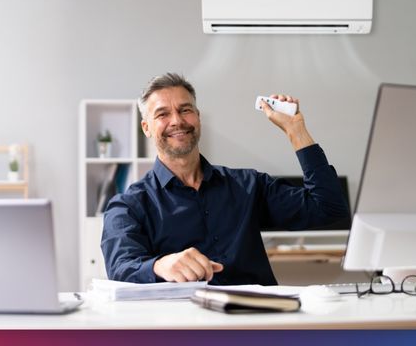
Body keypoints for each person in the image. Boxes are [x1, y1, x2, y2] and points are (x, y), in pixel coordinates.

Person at [101, 73, 349, 285]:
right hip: (185, 329)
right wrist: (161, 266)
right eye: (162, 114)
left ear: (197, 117)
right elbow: (120, 268)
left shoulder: (248, 185)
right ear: (146, 127)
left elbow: (327, 207)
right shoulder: (129, 205)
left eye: (185, 110)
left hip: (259, 325)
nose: (177, 120)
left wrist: (296, 131)